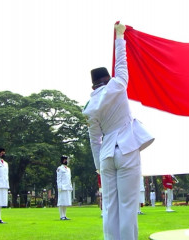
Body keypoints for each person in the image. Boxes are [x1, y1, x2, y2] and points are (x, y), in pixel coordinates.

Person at [82, 23, 154, 240]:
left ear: (93, 86)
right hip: (127, 149)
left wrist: (97, 166)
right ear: (107, 79)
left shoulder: (89, 108)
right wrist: (120, 36)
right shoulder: (117, 85)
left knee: (110, 207)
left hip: (106, 156)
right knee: (128, 206)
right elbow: (122, 62)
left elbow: (94, 139)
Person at [56, 155, 73, 220]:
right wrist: (59, 187)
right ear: (63, 160)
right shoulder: (60, 168)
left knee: (66, 202)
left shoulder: (68, 169)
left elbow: (69, 179)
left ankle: (65, 215)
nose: (67, 161)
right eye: (66, 160)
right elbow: (58, 179)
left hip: (67, 187)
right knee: (61, 202)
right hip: (62, 187)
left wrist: (70, 186)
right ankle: (61, 216)